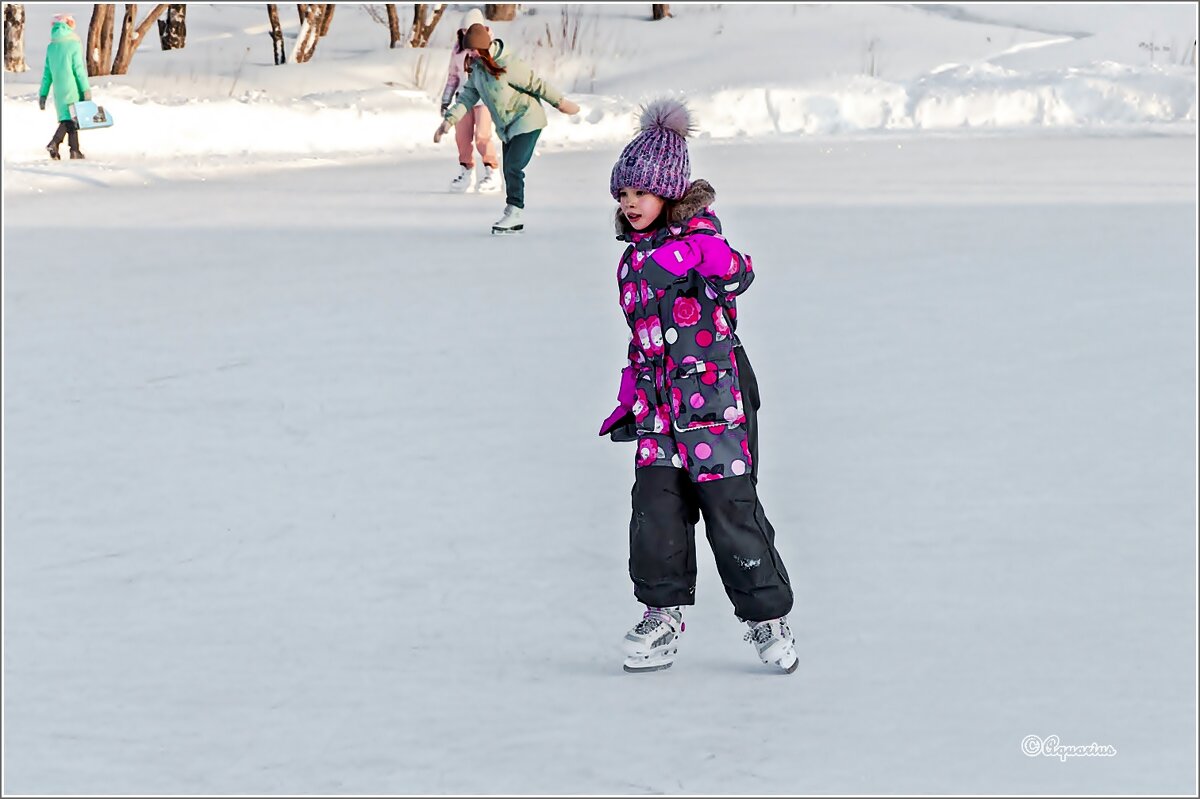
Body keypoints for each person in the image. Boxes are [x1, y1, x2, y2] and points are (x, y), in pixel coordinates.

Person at [599, 98, 797, 674]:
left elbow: (738, 273)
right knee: (654, 513)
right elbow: (640, 336)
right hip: (659, 412)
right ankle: (661, 617)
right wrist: (630, 394)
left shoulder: (703, 240)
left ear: (668, 191)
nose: (630, 203)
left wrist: (695, 251)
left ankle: (766, 618)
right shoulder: (632, 262)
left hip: (714, 407)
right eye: (622, 195)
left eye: (639, 191)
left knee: (732, 512)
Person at [433, 23, 580, 234]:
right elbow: (466, 97)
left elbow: (536, 84)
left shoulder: (508, 63)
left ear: (482, 47)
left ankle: (515, 211)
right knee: (508, 169)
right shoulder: (477, 70)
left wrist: (561, 103)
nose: (470, 54)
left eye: (473, 49)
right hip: (507, 126)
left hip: (527, 119)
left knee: (513, 167)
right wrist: (448, 121)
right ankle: (514, 213)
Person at [438, 9, 502, 194]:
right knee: (462, 138)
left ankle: (492, 172)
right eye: (464, 30)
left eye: (471, 30)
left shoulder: (489, 48)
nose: (467, 34)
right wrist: (446, 100)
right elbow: (453, 77)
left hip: (484, 100)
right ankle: (466, 172)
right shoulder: (458, 49)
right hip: (463, 100)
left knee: (482, 136)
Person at [38, 13, 91, 160]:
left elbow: (47, 74)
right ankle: (55, 143)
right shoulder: (73, 45)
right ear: (69, 25)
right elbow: (79, 70)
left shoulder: (51, 47)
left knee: (70, 120)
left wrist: (43, 94)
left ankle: (75, 150)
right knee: (70, 119)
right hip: (72, 88)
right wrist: (86, 89)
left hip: (59, 91)